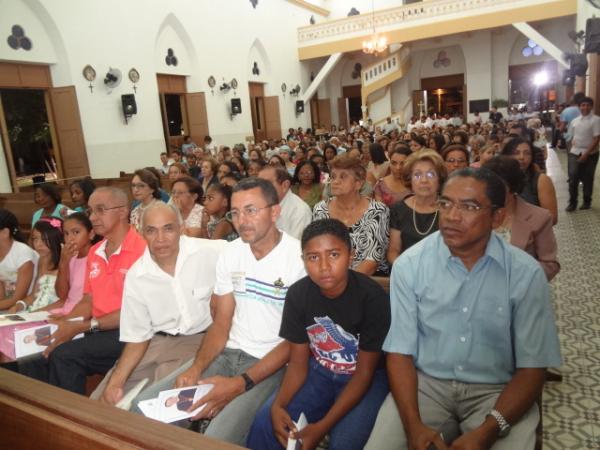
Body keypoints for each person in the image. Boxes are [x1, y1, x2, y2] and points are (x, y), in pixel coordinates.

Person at [365, 168, 562, 450]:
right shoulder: (411, 265)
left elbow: (533, 367)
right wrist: (413, 425)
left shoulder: (524, 274)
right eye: (445, 203)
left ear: (497, 217)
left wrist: (488, 431)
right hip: (425, 387)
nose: (452, 216)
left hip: (497, 390)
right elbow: (400, 351)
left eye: (469, 206)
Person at [132, 177, 306, 446]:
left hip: (271, 365)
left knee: (216, 440)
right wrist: (197, 367)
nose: (242, 220)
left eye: (251, 210)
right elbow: (221, 324)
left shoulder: (298, 259)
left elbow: (294, 342)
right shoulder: (231, 253)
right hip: (226, 354)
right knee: (143, 409)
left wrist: (240, 383)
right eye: (235, 212)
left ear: (274, 212)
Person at [246, 219, 391, 450]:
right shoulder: (298, 295)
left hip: (366, 378)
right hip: (320, 370)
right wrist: (277, 406)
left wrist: (322, 427)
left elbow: (364, 374)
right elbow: (298, 364)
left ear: (350, 255)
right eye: (313, 257)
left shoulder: (372, 299)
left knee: (344, 443)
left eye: (333, 254)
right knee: (266, 421)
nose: (324, 266)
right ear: (303, 260)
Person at [18, 187, 147, 394]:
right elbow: (88, 299)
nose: (93, 217)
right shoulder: (97, 251)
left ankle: (71, 419)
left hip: (130, 332)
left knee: (64, 355)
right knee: (32, 349)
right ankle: (42, 413)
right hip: (96, 327)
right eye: (90, 211)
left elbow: (137, 313)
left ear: (123, 211)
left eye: (100, 210)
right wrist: (66, 322)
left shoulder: (142, 250)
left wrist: (83, 327)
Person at [94, 202, 225, 406]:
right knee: (101, 399)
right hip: (154, 342)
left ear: (181, 229)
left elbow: (253, 252)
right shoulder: (137, 275)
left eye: (168, 229)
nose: (161, 239)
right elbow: (138, 336)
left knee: (151, 403)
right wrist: (116, 382)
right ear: (140, 233)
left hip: (197, 341)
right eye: (151, 231)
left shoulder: (212, 252)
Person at [483, 156, 560, 280]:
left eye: (499, 186)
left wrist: (516, 274)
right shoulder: (476, 213)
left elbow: (550, 265)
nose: (492, 192)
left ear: (513, 187)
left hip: (520, 291)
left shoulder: (538, 217)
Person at [313, 154, 389, 276]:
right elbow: (317, 250)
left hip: (370, 279)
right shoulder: (320, 209)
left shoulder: (377, 211)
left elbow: (372, 261)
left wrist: (343, 285)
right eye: (333, 177)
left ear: (358, 184)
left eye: (343, 177)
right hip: (329, 277)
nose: (335, 181)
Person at [387, 150, 446, 264]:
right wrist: (405, 273)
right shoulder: (397, 211)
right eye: (417, 175)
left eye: (430, 174)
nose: (424, 180)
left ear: (439, 179)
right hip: (405, 273)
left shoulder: (449, 210)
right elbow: (393, 251)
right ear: (410, 180)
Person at [47, 212, 97, 316]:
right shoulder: (71, 259)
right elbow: (62, 295)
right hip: (65, 310)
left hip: (81, 315)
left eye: (76, 232)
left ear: (91, 234)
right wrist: (63, 262)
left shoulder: (96, 259)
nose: (70, 238)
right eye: (66, 233)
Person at [9, 218, 63, 313]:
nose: (38, 245)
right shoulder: (42, 260)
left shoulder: (67, 262)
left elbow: (66, 300)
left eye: (44, 239)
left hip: (56, 313)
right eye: (35, 239)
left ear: (56, 239)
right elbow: (35, 294)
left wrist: (36, 313)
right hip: (36, 309)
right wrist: (19, 305)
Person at [501, 138, 558, 224]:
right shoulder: (499, 179)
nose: (521, 157)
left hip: (533, 232)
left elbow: (552, 218)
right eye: (516, 153)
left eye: (527, 153)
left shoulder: (541, 180)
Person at [565, 96, 600, 211]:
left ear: (591, 106)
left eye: (587, 105)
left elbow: (596, 139)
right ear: (579, 107)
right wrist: (570, 148)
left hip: (591, 154)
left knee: (587, 178)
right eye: (582, 105)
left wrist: (586, 154)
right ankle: (572, 202)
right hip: (575, 152)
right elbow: (570, 136)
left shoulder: (596, 120)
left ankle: (586, 201)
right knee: (573, 177)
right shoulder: (575, 121)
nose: (585, 107)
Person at [259, 166, 312, 240]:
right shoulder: (260, 205)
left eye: (267, 184)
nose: (261, 189)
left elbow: (295, 247)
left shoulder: (300, 211)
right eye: (259, 184)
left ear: (285, 185)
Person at [0, 209, 38, 310]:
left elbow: (19, 298)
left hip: (27, 307)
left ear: (5, 232)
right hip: (8, 306)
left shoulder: (23, 253)